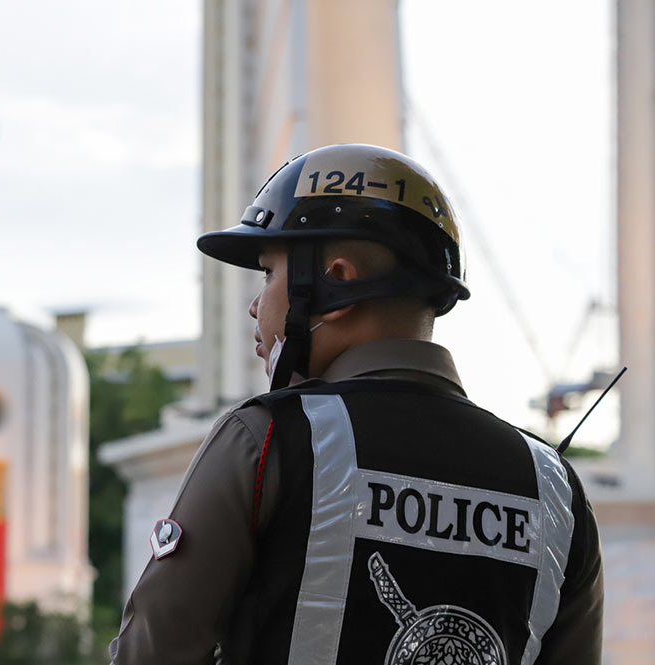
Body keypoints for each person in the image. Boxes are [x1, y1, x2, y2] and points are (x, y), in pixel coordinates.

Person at [108, 144, 603, 665]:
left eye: (268, 274)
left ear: (337, 284)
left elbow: (150, 654)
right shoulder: (556, 488)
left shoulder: (267, 438)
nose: (256, 306)